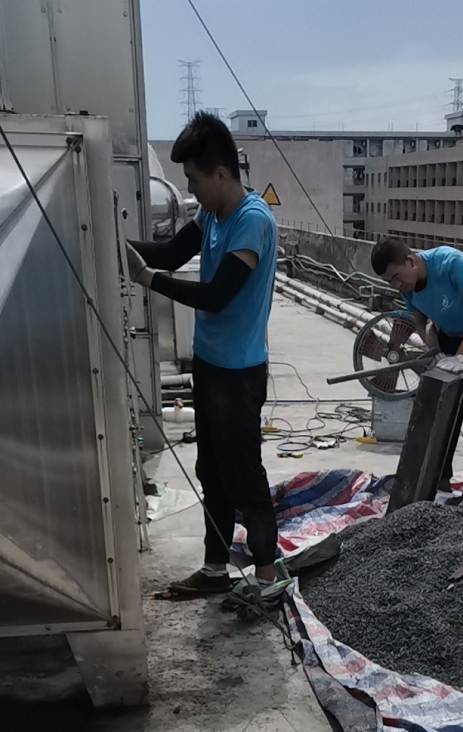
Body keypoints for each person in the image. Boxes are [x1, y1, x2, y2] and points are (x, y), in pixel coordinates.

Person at [125, 112, 278, 593]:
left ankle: (266, 579)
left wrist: (146, 279)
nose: (190, 189)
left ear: (221, 174)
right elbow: (172, 253)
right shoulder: (211, 213)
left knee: (244, 476)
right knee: (210, 470)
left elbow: (216, 296)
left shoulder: (252, 221)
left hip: (239, 373)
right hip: (210, 364)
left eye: (193, 179)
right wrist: (112, 244)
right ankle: (215, 571)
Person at [370, 237, 463, 503]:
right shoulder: (408, 288)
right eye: (390, 282)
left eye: (397, 278)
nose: (397, 286)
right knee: (443, 403)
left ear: (410, 261)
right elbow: (421, 323)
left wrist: (462, 357)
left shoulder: (450, 264)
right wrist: (436, 349)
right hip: (447, 335)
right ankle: (440, 473)